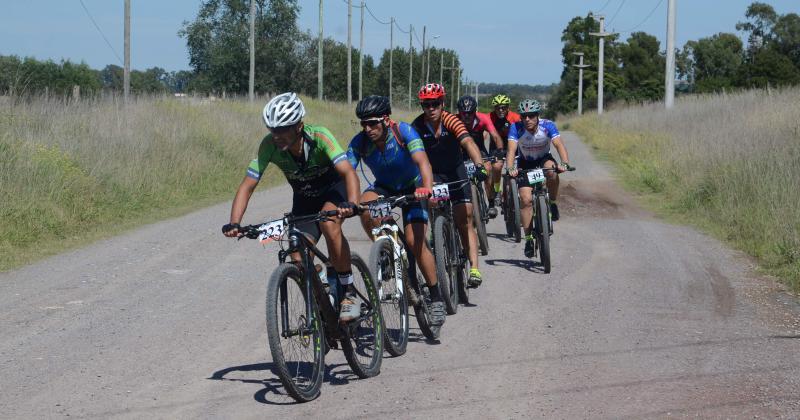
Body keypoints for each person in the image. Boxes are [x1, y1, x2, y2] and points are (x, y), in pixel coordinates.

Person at [221, 92, 363, 321]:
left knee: (329, 225)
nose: (276, 136)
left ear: (298, 126)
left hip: (335, 191)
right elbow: (248, 185)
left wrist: (353, 204)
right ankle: (321, 308)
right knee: (297, 256)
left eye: (282, 129)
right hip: (305, 199)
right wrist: (234, 222)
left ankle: (348, 291)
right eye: (272, 130)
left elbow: (348, 172)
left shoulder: (319, 136)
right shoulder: (268, 146)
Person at [347, 95, 446, 326]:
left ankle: (435, 296)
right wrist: (347, 202)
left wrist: (427, 189)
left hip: (413, 187)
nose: (367, 128)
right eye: (363, 123)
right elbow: (347, 172)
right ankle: (385, 249)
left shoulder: (403, 131)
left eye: (372, 123)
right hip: (385, 188)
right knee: (365, 206)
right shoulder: (359, 142)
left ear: (385, 119)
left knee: (415, 241)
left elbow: (423, 162)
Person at [412, 83, 488, 288]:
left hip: (455, 170)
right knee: (431, 201)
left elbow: (469, 143)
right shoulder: (417, 126)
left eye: (435, 103)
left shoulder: (451, 120)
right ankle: (437, 234)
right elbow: (410, 154)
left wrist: (480, 166)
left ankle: (474, 268)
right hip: (434, 173)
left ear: (442, 103)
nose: (431, 108)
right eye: (426, 105)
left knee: (465, 218)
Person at [505, 99, 573, 258]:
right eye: (524, 116)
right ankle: (528, 239)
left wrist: (564, 163)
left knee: (552, 171)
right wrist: (510, 168)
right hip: (524, 162)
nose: (527, 119)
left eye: (531, 116)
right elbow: (511, 149)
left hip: (543, 159)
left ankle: (553, 203)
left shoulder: (548, 125)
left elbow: (559, 145)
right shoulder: (516, 128)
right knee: (526, 199)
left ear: (537, 116)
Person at [456, 95, 504, 218]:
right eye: (464, 113)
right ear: (459, 112)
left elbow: (495, 136)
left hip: (480, 151)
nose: (467, 116)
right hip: (461, 152)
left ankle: (491, 203)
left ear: (475, 111)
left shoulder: (483, 119)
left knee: (487, 169)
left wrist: (499, 151)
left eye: (470, 113)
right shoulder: (455, 120)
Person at [488, 94, 522, 206]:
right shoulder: (490, 117)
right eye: (498, 108)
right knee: (497, 167)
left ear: (508, 107)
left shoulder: (515, 117)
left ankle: (516, 191)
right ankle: (497, 190)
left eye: (503, 107)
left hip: (512, 145)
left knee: (515, 170)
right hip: (496, 146)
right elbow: (482, 129)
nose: (501, 110)